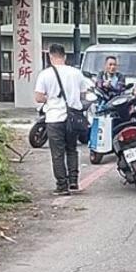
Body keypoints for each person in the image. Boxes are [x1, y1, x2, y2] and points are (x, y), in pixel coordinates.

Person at [34, 44, 90, 196]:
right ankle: (73, 181)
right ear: (65, 56)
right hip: (73, 118)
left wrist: (50, 98)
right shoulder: (76, 73)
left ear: (50, 56)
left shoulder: (45, 74)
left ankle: (62, 186)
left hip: (54, 118)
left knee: (57, 153)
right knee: (72, 150)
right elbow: (83, 95)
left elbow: (38, 97)